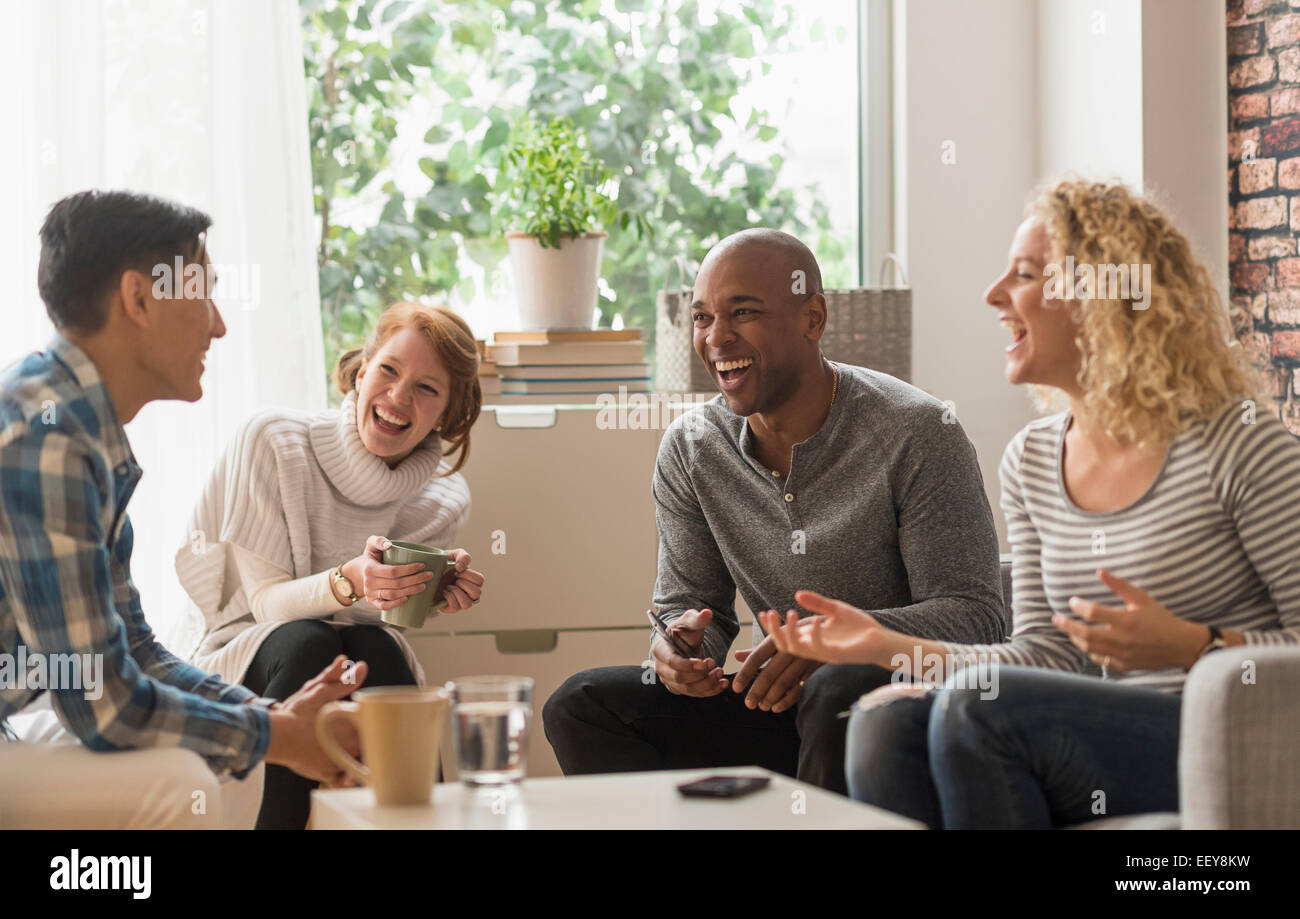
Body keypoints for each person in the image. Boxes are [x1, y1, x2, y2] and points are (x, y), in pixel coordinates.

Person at [762, 178, 1300, 828]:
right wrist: (884, 645)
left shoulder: (1237, 445)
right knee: (886, 723)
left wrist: (1197, 644)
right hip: (1083, 732)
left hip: (1222, 740)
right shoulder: (1034, 459)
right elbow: (1041, 655)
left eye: (1024, 274)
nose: (994, 294)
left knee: (975, 711)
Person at [543, 229, 1006, 795]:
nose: (717, 337)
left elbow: (978, 617)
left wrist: (832, 642)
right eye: (701, 317)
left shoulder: (918, 432)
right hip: (782, 708)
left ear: (813, 318)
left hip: (901, 714)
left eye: (743, 312)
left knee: (838, 686)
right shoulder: (693, 449)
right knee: (581, 705)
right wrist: (679, 649)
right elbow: (691, 607)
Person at [0, 189, 367, 829]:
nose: (218, 324)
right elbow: (105, 705)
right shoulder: (47, 437)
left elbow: (132, 650)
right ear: (138, 298)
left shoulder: (82, 429)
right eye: (204, 293)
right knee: (179, 783)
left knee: (230, 764)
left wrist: (268, 722)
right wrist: (278, 735)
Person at [179, 300, 486, 829]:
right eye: (389, 371)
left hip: (350, 646)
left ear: (447, 415)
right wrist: (350, 581)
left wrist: (424, 593)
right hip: (243, 643)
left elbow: (376, 619)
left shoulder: (443, 497)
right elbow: (264, 603)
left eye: (427, 389)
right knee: (310, 641)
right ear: (362, 371)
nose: (397, 397)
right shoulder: (274, 441)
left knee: (376, 646)